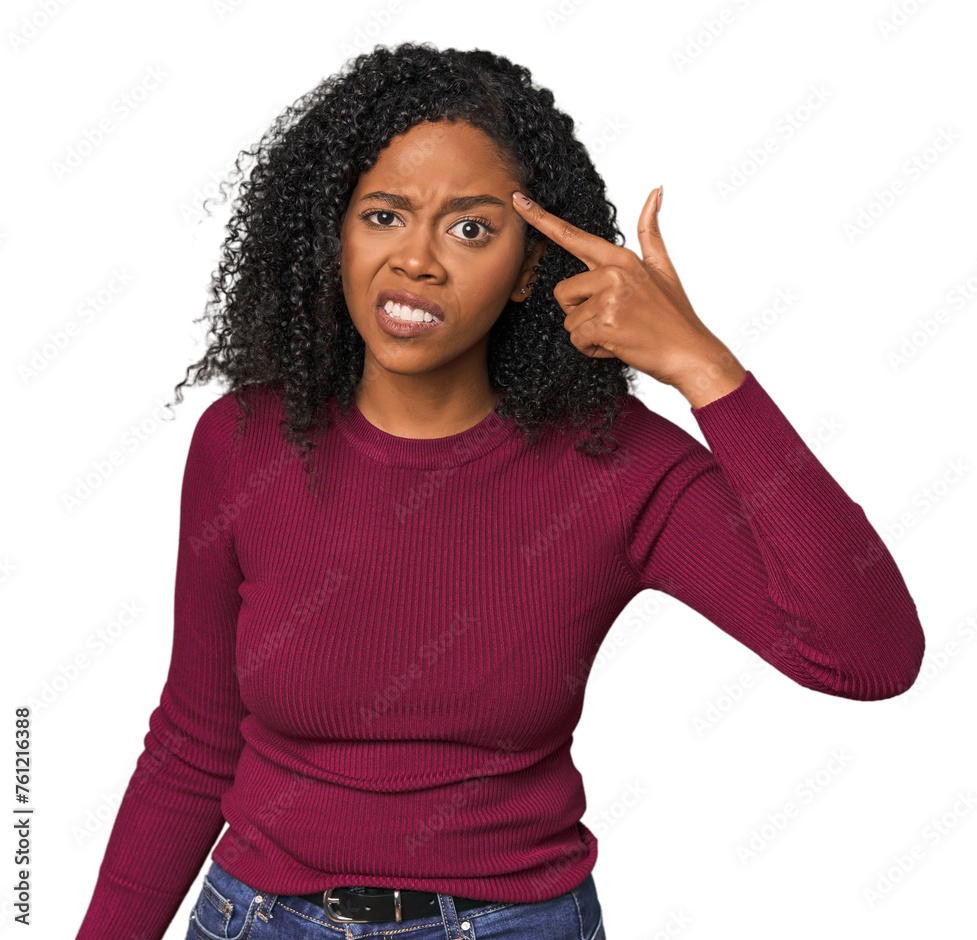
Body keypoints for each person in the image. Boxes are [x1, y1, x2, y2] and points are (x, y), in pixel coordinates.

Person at [74, 41, 925, 940]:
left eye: (471, 228)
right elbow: (194, 743)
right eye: (385, 215)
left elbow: (865, 655)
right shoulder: (244, 442)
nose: (418, 261)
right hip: (257, 919)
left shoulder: (615, 464)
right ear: (335, 232)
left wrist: (702, 367)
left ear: (528, 270)